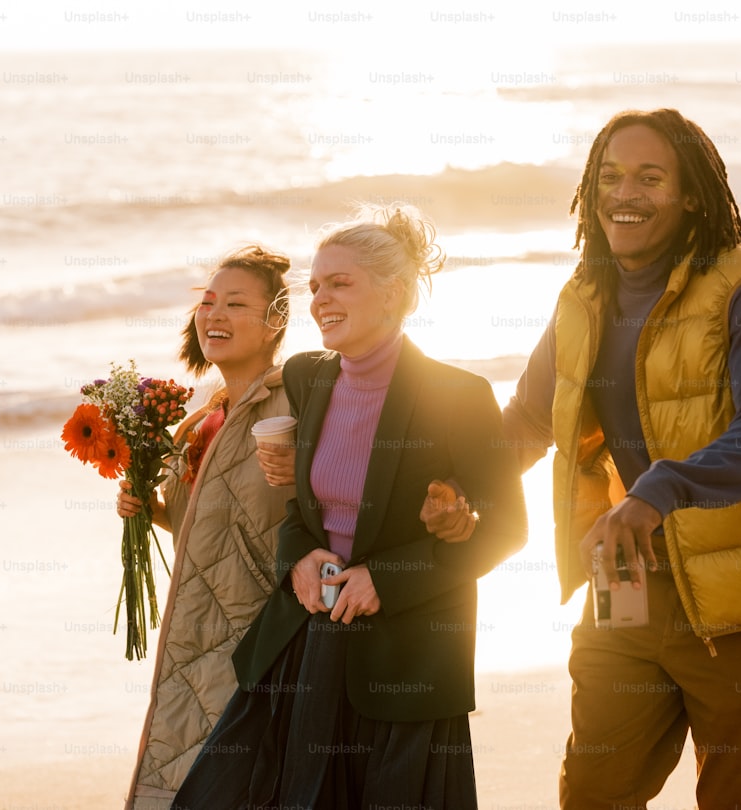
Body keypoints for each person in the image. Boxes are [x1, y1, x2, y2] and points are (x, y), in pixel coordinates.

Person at [436, 108, 741, 808]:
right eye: (611, 177)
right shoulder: (583, 296)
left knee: (740, 796)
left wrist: (659, 490)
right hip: (624, 582)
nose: (625, 194)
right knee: (594, 788)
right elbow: (532, 417)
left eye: (650, 178)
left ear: (690, 195)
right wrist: (459, 485)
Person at [170, 204, 528, 809]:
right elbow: (300, 512)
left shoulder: (460, 395)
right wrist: (301, 557)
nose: (319, 300)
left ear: (393, 294)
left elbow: (507, 530)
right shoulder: (309, 378)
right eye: (314, 286)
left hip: (405, 660)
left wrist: (384, 578)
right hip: (301, 644)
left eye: (339, 283)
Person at [117, 244, 296, 810]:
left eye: (236, 304)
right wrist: (151, 508)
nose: (214, 315)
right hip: (195, 626)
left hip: (263, 638)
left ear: (277, 321)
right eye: (208, 302)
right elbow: (205, 534)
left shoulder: (295, 404)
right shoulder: (198, 421)